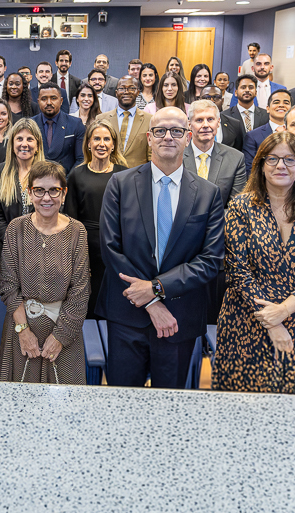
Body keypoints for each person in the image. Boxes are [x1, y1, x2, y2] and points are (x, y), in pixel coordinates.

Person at [98, 107, 225, 388]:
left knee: (169, 407)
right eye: (160, 131)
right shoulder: (119, 184)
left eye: (177, 131)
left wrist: (156, 288)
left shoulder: (208, 194)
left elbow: (210, 259)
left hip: (179, 318)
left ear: (188, 137)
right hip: (127, 315)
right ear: (149, 138)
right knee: (123, 402)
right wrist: (152, 302)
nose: (168, 136)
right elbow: (110, 248)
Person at [213, 132, 295, 395]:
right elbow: (238, 269)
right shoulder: (240, 208)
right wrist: (272, 322)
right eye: (272, 159)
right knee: (243, 411)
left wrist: (283, 311)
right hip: (246, 322)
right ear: (260, 164)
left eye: (289, 159)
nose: (280, 166)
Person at [0, 161, 90, 383]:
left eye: (53, 190)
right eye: (39, 190)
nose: (46, 198)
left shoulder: (77, 232)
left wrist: (59, 337)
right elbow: (8, 286)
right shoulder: (16, 228)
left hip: (64, 336)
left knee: (62, 409)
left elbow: (80, 292)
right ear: (29, 193)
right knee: (19, 407)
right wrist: (24, 332)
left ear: (64, 193)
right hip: (20, 333)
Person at [184, 99, 247, 323]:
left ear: (218, 123)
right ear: (189, 124)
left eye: (210, 119)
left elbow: (236, 207)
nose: (205, 125)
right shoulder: (175, 155)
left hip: (217, 247)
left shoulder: (235, 158)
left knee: (212, 317)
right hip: (180, 247)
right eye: (199, 120)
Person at [64, 122, 127, 318]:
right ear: (88, 144)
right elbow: (70, 220)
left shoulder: (124, 174)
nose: (102, 144)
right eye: (97, 139)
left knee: (115, 303)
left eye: (106, 139)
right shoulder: (76, 174)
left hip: (117, 247)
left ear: (113, 145)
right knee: (88, 302)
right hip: (86, 249)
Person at [0, 119, 45, 261]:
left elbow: (55, 213)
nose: (24, 144)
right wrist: (13, 244)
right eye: (19, 139)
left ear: (38, 145)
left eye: (30, 139)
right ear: (12, 144)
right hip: (6, 250)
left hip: (42, 250)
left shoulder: (48, 173)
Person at [95, 76, 152, 169]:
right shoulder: (101, 118)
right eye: (122, 88)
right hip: (107, 175)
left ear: (138, 92)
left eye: (131, 88)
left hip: (138, 176)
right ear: (116, 93)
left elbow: (151, 155)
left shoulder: (150, 120)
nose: (126, 92)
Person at [33, 83, 84, 174]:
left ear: (61, 101)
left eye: (53, 98)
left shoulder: (75, 124)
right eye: (44, 99)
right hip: (37, 181)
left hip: (66, 182)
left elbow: (81, 159)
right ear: (38, 101)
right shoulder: (30, 124)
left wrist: (66, 181)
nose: (49, 102)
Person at [243, 89, 292, 172]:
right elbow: (250, 168)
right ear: (268, 108)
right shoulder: (253, 136)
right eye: (276, 102)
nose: (281, 105)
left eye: (286, 103)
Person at [200, 86, 245, 151]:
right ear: (199, 100)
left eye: (216, 97)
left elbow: (238, 151)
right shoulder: (189, 123)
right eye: (207, 98)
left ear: (222, 100)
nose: (212, 101)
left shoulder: (234, 124)